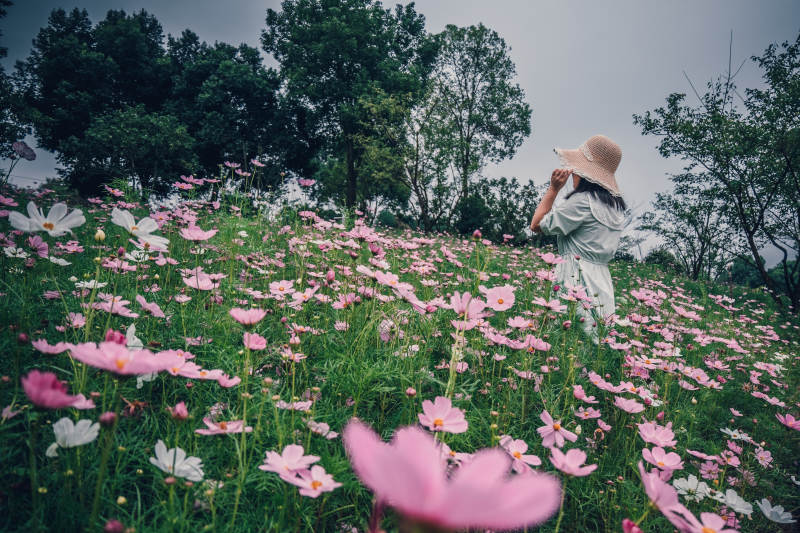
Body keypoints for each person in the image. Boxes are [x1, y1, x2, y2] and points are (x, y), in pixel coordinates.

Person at [529, 134, 627, 343]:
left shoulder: (582, 201)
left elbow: (536, 225)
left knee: (564, 339)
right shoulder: (615, 209)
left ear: (586, 173)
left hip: (575, 278)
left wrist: (553, 189)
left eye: (576, 168)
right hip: (602, 281)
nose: (572, 172)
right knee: (595, 342)